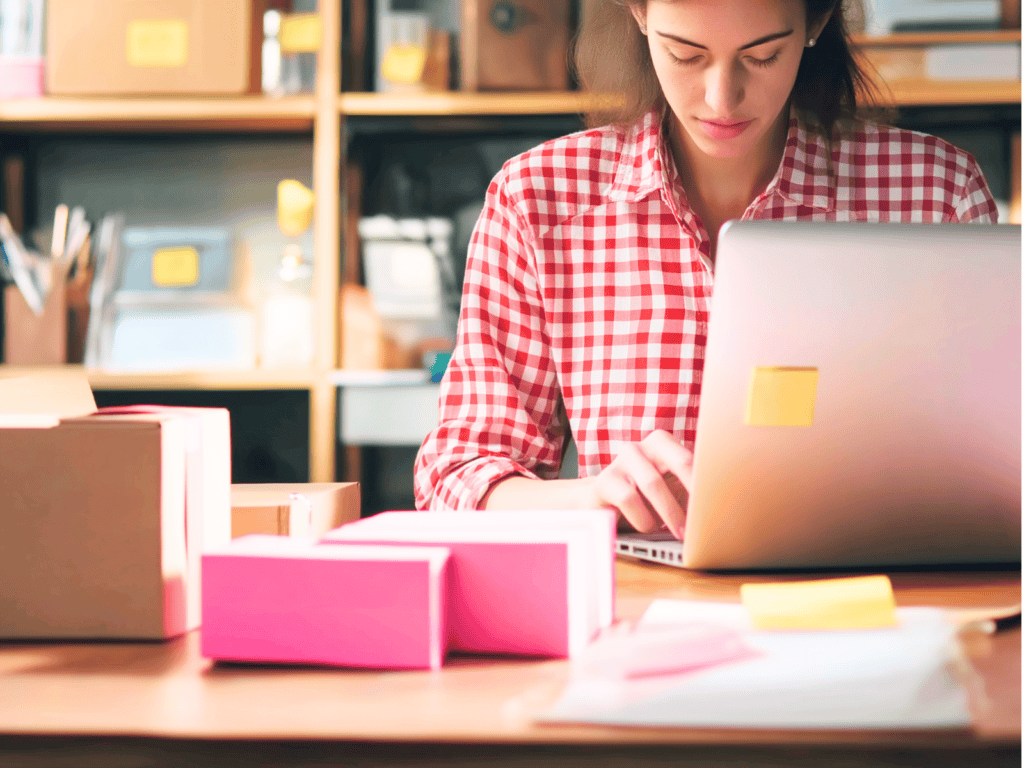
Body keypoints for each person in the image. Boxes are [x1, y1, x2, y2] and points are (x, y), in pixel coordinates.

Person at [413, 0, 999, 534]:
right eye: (685, 54)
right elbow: (456, 475)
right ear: (639, 14)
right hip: (644, 614)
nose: (722, 97)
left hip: (884, 604)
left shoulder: (936, 196)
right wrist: (592, 498)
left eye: (763, 55)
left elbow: (999, 465)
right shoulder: (539, 200)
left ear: (815, 24)